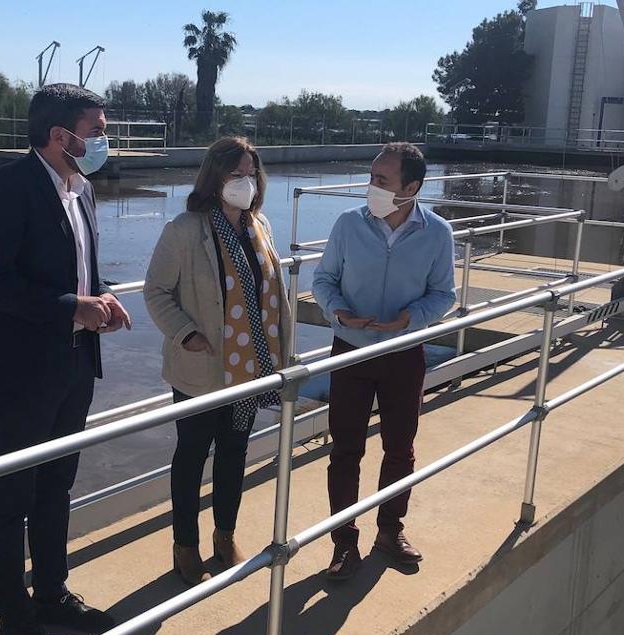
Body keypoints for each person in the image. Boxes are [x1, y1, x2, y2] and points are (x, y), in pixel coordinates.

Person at [0, 83, 131, 635]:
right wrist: (71, 308)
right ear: (59, 136)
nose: (104, 142)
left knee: (56, 487)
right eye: (97, 130)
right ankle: (14, 618)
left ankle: (53, 595)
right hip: (21, 371)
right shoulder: (7, 188)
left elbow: (79, 269)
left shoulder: (80, 188)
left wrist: (103, 299)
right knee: (12, 495)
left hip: (74, 366)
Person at [144, 137, 292, 585]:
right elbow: (156, 291)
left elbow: (274, 291)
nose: (245, 182)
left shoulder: (259, 225)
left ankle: (224, 536)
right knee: (191, 456)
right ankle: (184, 546)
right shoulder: (185, 230)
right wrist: (185, 332)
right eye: (235, 174)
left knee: (234, 452)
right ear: (215, 178)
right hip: (202, 366)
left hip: (250, 366)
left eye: (251, 173)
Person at [311, 142, 456, 581]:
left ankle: (390, 531)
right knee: (346, 450)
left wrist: (411, 319)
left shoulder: (437, 233)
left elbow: (443, 294)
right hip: (351, 351)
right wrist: (339, 313)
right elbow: (323, 279)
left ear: (411, 188)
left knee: (400, 448)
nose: (371, 187)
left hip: (403, 354)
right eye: (372, 177)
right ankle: (344, 543)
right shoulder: (348, 225)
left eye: (382, 181)